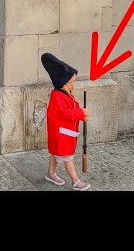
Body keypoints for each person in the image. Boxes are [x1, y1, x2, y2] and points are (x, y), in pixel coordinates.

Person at [40, 53, 91, 191]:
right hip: (61, 134)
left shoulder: (65, 94)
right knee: (67, 158)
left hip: (64, 133)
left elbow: (73, 108)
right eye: (70, 83)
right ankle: (76, 181)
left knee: (56, 155)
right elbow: (65, 113)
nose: (72, 85)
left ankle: (51, 174)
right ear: (61, 83)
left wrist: (82, 114)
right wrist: (81, 113)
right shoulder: (57, 97)